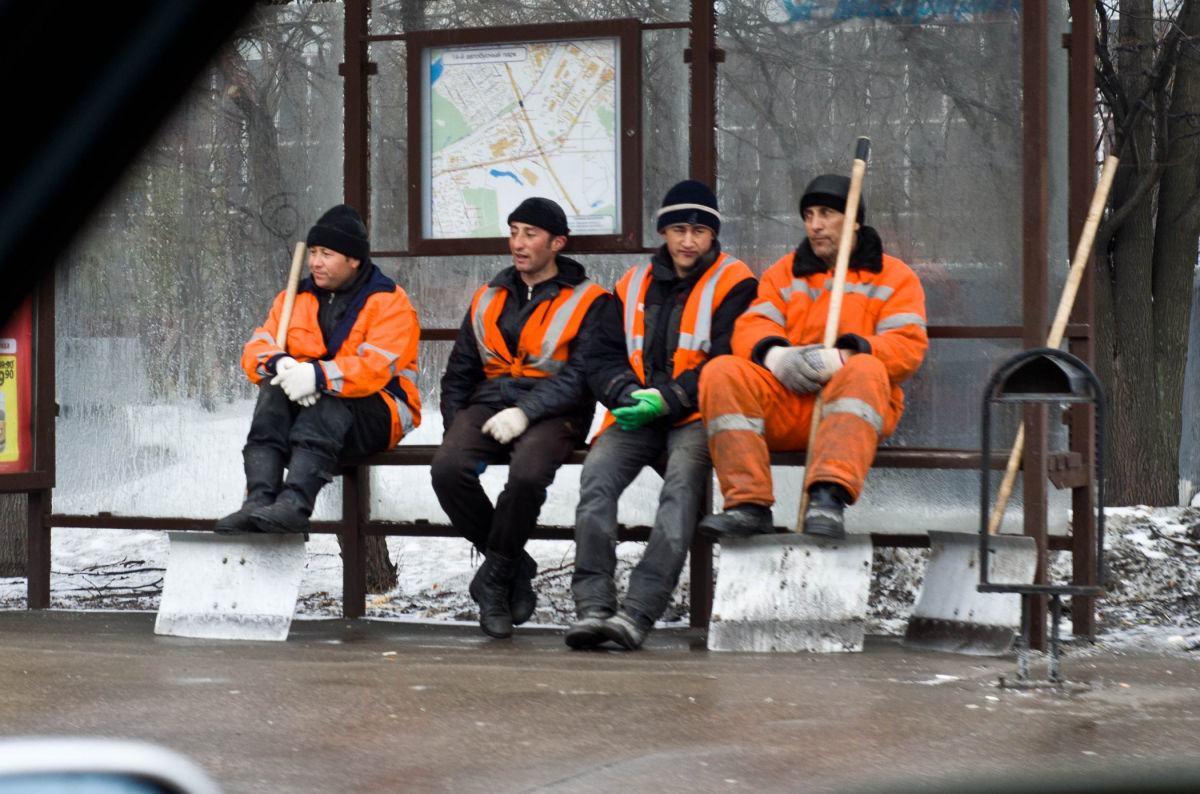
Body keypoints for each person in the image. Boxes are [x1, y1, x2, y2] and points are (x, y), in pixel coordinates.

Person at [567, 180, 757, 650]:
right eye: (678, 229)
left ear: (713, 235)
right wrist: (626, 394)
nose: (688, 240)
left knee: (681, 492)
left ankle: (638, 612)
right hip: (635, 414)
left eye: (698, 230)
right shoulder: (631, 285)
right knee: (596, 481)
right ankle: (593, 606)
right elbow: (601, 356)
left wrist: (669, 398)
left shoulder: (737, 283)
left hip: (696, 417)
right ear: (664, 233)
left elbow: (730, 359)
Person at [697, 174, 927, 540]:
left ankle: (828, 499)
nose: (815, 225)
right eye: (808, 215)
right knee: (721, 371)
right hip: (789, 406)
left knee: (866, 367)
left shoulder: (895, 277)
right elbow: (750, 328)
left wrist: (842, 358)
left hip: (853, 411)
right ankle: (748, 505)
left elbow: (907, 347)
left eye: (826, 213)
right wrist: (776, 357)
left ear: (853, 219)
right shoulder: (784, 273)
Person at [431, 197, 609, 639]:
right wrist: (457, 427)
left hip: (556, 412)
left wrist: (526, 412)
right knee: (448, 468)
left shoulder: (591, 300)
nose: (518, 243)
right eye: (513, 232)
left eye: (530, 234)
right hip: (489, 406)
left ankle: (493, 582)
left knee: (528, 476)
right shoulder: (487, 296)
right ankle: (512, 563)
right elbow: (458, 374)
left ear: (557, 243)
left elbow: (582, 377)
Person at [215, 204, 422, 535]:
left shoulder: (390, 301)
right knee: (272, 390)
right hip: (311, 414)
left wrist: (317, 377)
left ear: (354, 259)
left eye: (326, 253)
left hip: (381, 411)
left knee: (329, 399)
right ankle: (258, 501)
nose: (314, 262)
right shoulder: (293, 298)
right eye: (312, 252)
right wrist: (280, 364)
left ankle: (295, 505)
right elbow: (257, 348)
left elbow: (375, 368)